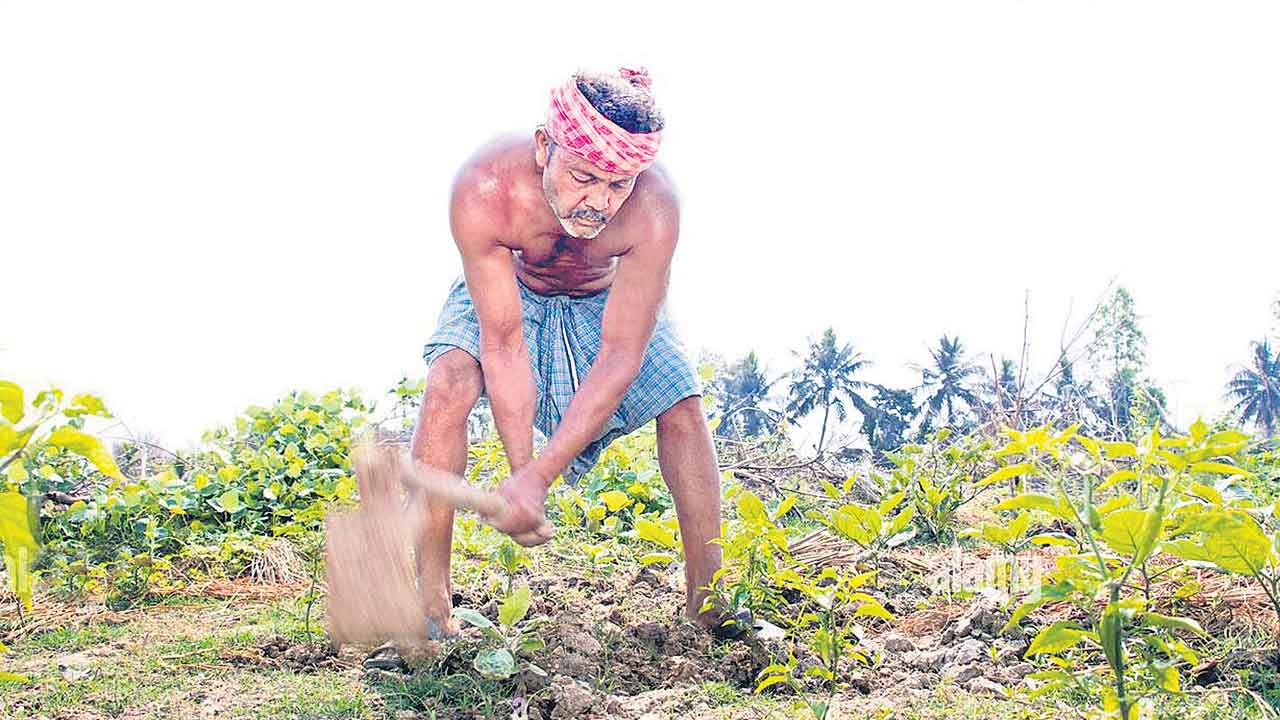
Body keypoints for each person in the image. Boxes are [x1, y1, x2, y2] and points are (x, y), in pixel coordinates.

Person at [409, 67, 748, 641]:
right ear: (545, 147)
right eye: (584, 177)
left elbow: (620, 356)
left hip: (605, 300)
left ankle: (707, 606)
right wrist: (522, 471)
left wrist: (541, 477)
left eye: (618, 186)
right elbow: (504, 341)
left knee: (684, 407)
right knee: (449, 381)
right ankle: (426, 612)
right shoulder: (484, 188)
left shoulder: (655, 208)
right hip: (513, 292)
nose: (598, 203)